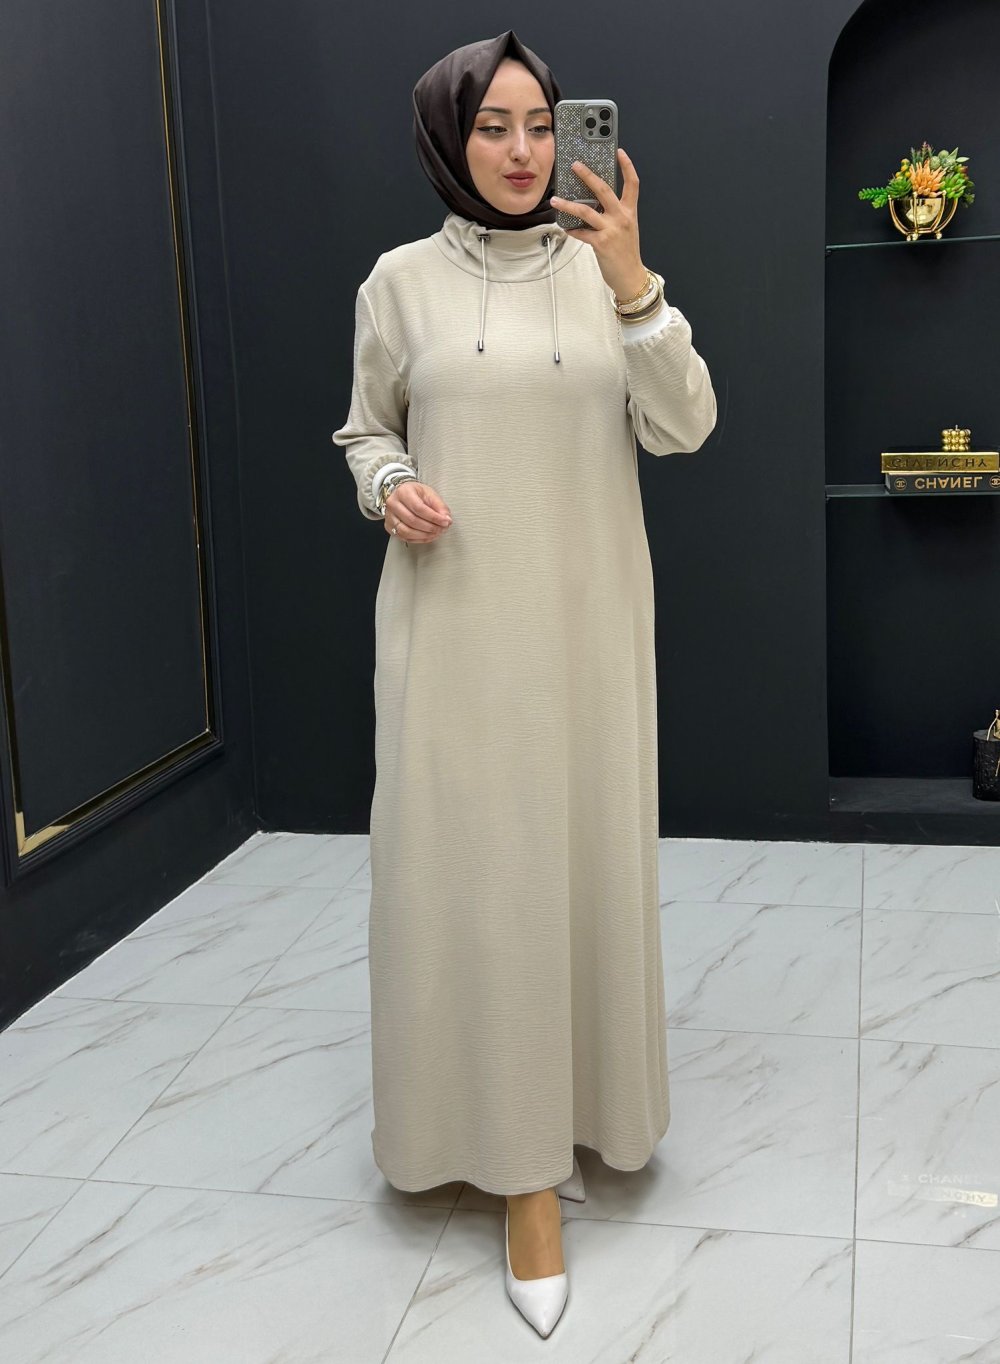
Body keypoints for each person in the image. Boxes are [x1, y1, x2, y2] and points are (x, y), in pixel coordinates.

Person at [332, 30, 716, 1339]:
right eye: (491, 125)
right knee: (477, 882)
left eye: (541, 124)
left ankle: (589, 1114)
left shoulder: (609, 275)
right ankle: (516, 1172)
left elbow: (685, 424)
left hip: (588, 630)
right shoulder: (399, 284)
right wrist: (390, 483)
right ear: (449, 138)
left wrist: (635, 283)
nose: (521, 150)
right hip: (453, 634)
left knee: (581, 867)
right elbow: (365, 429)